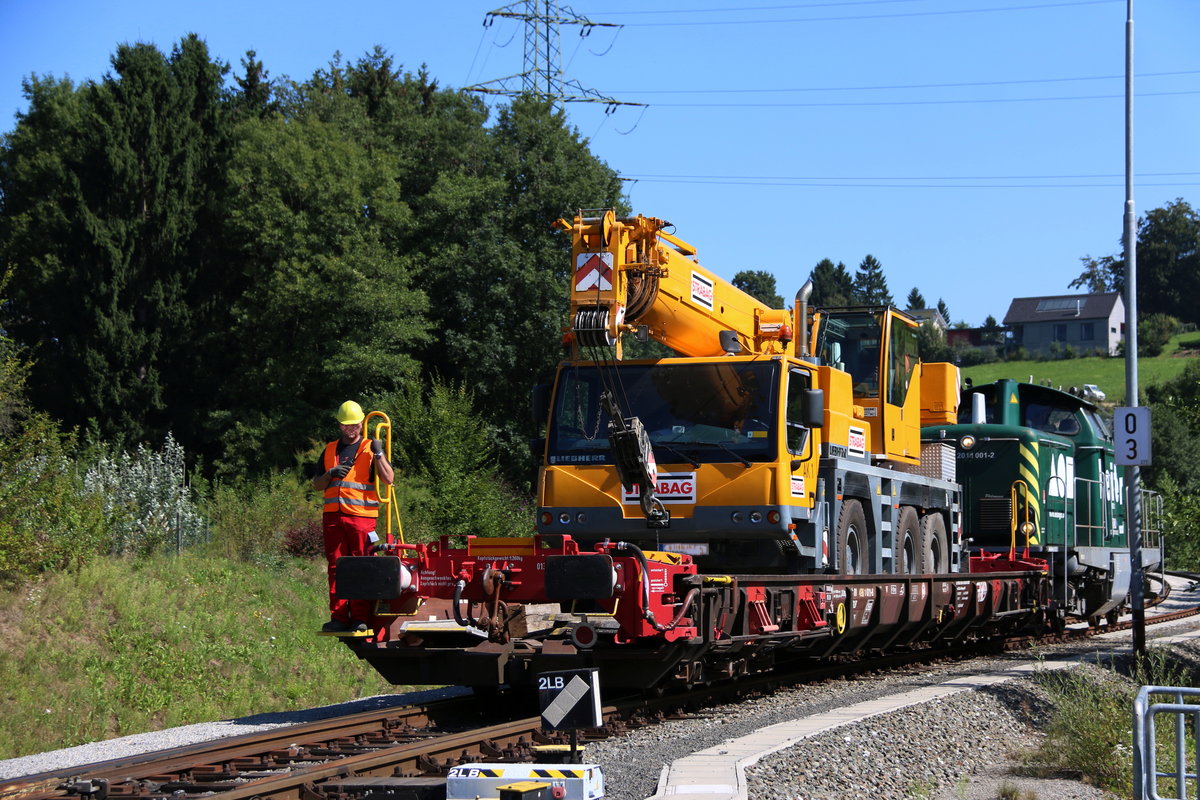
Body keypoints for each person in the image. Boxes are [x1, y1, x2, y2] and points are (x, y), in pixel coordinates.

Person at [311, 400, 394, 633]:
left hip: (361, 518)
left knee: (361, 565)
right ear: (340, 425)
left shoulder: (370, 448)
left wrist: (379, 453)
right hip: (333, 518)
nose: (351, 429)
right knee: (336, 567)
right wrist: (330, 473)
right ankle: (338, 617)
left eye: (355, 425)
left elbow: (389, 478)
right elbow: (317, 485)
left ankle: (360, 617)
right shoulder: (329, 449)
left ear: (361, 423)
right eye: (347, 425)